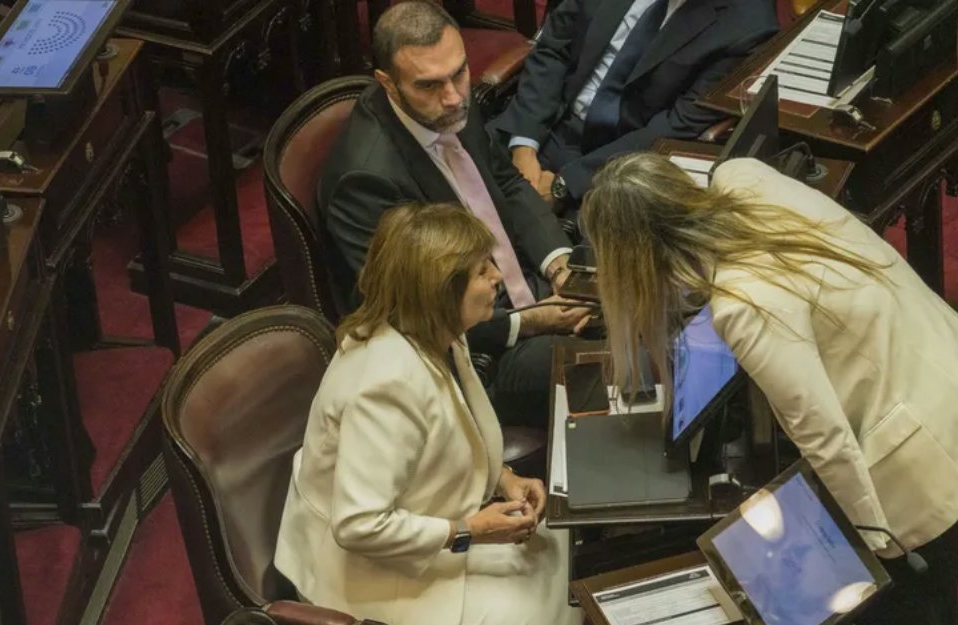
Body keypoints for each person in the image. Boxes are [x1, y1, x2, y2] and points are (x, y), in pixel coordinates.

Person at [581, 153, 958, 625]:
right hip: (940, 357)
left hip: (924, 456)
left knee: (929, 597)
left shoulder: (743, 303)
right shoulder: (743, 175)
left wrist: (871, 546)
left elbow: (823, 435)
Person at [275, 202, 581, 625]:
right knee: (532, 609)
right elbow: (358, 525)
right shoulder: (384, 386)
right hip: (364, 575)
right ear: (440, 291)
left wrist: (504, 478)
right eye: (482, 271)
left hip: (426, 528)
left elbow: (452, 437)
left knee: (560, 546)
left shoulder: (440, 333)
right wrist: (470, 531)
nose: (497, 277)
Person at [320, 1, 590, 427]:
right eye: (428, 85)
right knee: (614, 364)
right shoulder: (365, 181)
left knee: (643, 294)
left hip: (527, 284)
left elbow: (506, 182)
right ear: (388, 83)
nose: (453, 97)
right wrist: (527, 323)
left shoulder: (450, 101)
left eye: (459, 73)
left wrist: (560, 264)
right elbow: (408, 314)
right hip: (477, 351)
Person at [490, 0, 777, 205]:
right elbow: (554, 50)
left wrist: (568, 183)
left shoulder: (748, 24)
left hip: (622, 161)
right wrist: (524, 144)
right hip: (547, 120)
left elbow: (677, 126)